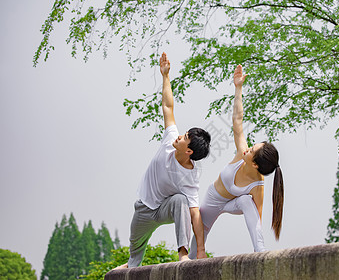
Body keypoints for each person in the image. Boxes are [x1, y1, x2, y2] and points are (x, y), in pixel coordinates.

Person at [114, 52, 211, 269]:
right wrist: (165, 75)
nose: (179, 136)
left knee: (181, 201)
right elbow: (168, 107)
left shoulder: (190, 176)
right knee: (134, 253)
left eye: (185, 138)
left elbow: (195, 214)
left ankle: (183, 254)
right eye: (184, 133)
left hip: (164, 208)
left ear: (189, 152)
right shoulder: (170, 140)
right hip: (144, 208)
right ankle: (130, 266)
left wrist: (202, 250)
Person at [188, 64, 284, 258]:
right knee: (198, 238)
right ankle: (188, 261)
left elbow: (255, 220)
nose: (247, 149)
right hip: (215, 198)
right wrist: (238, 88)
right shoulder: (242, 154)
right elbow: (237, 121)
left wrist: (259, 244)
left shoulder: (258, 186)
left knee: (247, 202)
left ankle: (260, 253)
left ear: (255, 164)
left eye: (251, 150)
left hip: (235, 204)